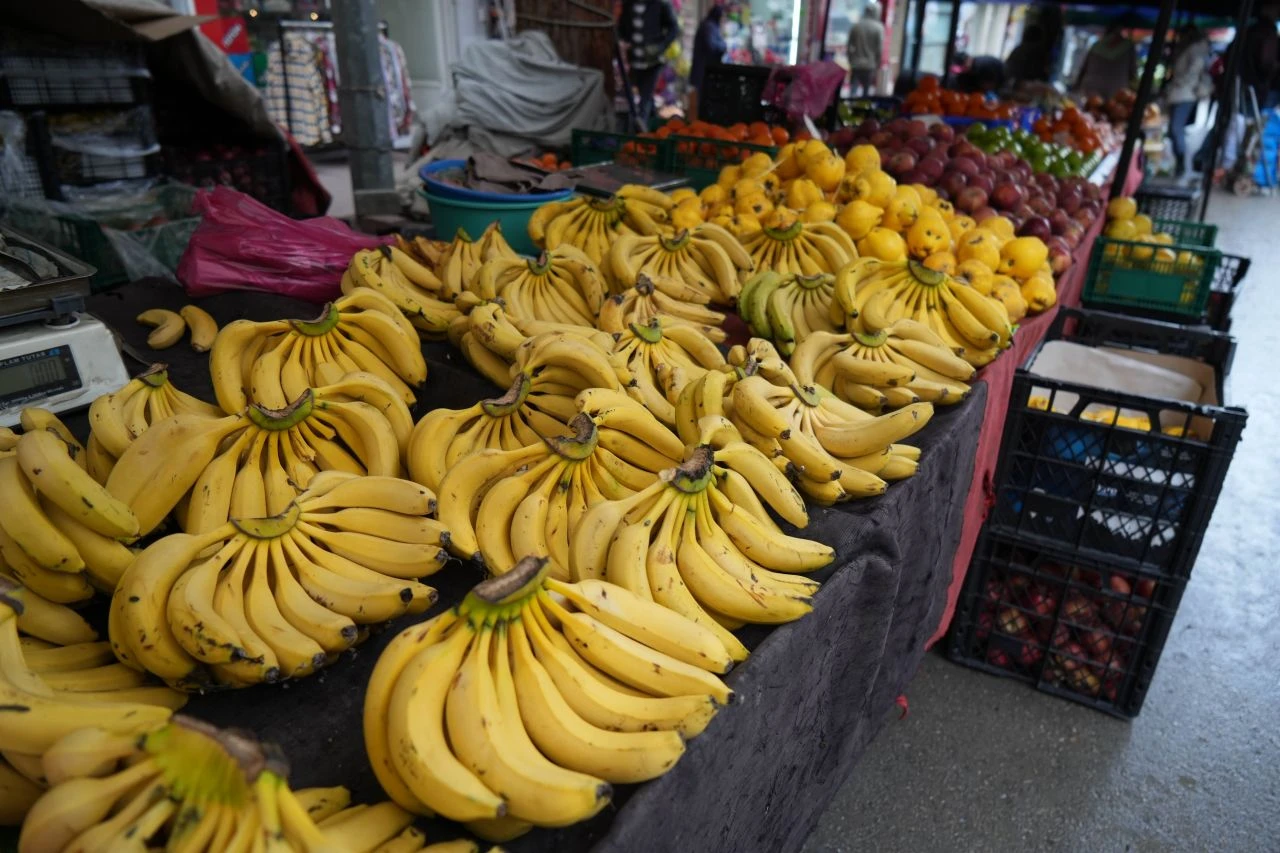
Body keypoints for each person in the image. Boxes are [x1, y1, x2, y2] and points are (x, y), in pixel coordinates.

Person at [618, 0, 680, 130]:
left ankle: (640, 132)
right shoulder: (628, 5)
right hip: (634, 61)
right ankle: (652, 129)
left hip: (653, 62)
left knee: (645, 97)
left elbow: (673, 28)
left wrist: (660, 46)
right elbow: (622, 28)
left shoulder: (660, 4)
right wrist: (623, 42)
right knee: (643, 96)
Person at [1165, 24, 1212, 177]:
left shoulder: (1195, 49)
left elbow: (1193, 71)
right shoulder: (1189, 48)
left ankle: (1181, 161)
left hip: (1185, 93)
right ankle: (1180, 161)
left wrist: (1180, 82)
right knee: (1174, 129)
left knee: (1175, 128)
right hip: (1180, 92)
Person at [1074, 23, 1137, 101]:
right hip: (1117, 90)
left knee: (1092, 108)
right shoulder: (1129, 46)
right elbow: (1133, 73)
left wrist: (1076, 85)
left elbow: (1084, 68)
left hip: (1092, 88)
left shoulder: (1096, 45)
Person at [846, 2, 884, 96]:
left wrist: (850, 60)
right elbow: (879, 49)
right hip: (870, 65)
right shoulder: (879, 28)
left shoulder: (856, 26)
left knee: (853, 91)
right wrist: (877, 63)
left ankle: (849, 108)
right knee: (866, 92)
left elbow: (849, 46)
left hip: (856, 63)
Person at [689, 5, 726, 93]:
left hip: (704, 70)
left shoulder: (710, 25)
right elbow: (712, 45)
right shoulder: (709, 27)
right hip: (704, 69)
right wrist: (723, 46)